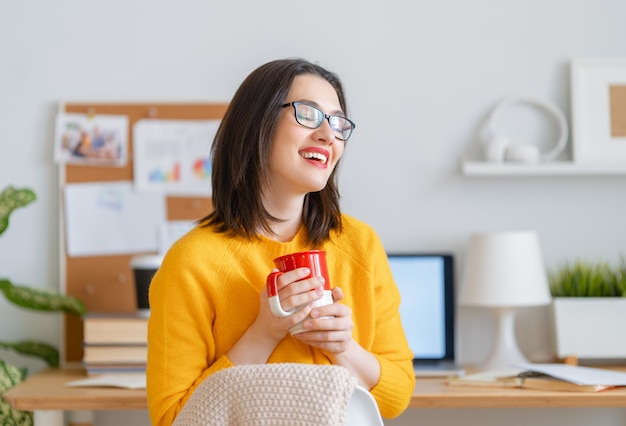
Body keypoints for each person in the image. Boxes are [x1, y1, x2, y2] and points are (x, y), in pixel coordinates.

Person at [146, 58, 415, 425]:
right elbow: (173, 418)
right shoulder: (192, 261)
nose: (328, 135)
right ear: (256, 123)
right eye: (308, 113)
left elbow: (397, 395)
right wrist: (264, 331)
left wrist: (343, 348)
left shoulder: (360, 244)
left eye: (337, 122)